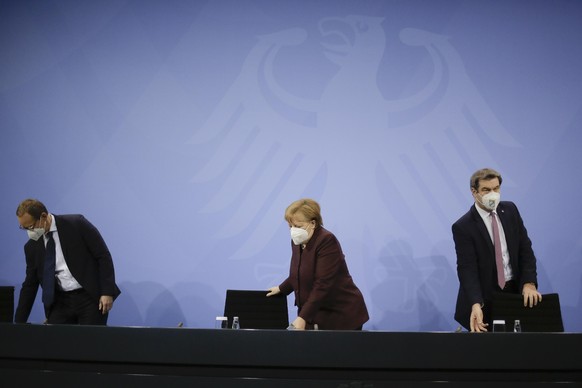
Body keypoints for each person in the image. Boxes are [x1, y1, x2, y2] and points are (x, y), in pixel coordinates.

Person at [452, 168, 542, 332]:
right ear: (474, 192)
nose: (493, 194)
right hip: (485, 298)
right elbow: (467, 268)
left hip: (514, 292)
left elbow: (525, 250)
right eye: (486, 190)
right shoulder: (463, 226)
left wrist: (529, 283)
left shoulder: (510, 210)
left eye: (496, 189)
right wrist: (475, 303)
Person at [267, 199, 369, 330]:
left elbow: (323, 283)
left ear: (313, 223)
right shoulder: (298, 241)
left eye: (298, 226)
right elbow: (298, 272)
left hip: (340, 315)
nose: (293, 231)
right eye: (290, 226)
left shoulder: (326, 241)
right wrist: (282, 288)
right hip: (316, 313)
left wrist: (302, 317)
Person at [14, 199, 121, 325]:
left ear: (43, 216)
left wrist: (107, 292)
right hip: (59, 302)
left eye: (31, 227)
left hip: (89, 298)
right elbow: (30, 284)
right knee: (59, 343)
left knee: (91, 343)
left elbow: (103, 256)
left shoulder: (76, 224)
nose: (29, 232)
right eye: (24, 228)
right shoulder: (31, 247)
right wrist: (18, 324)